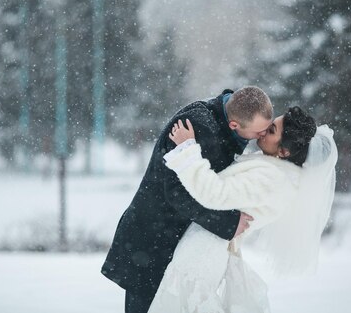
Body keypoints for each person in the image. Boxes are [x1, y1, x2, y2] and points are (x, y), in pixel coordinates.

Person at [147, 106, 338, 313]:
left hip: (201, 253)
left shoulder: (272, 179)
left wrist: (187, 149)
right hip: (205, 246)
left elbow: (213, 193)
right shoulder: (276, 171)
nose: (264, 130)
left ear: (284, 151)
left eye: (272, 130)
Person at [101, 87, 274, 313]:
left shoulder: (226, 119)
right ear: (235, 125)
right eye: (260, 131)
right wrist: (229, 223)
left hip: (169, 244)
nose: (263, 135)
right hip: (152, 244)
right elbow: (176, 193)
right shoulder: (195, 126)